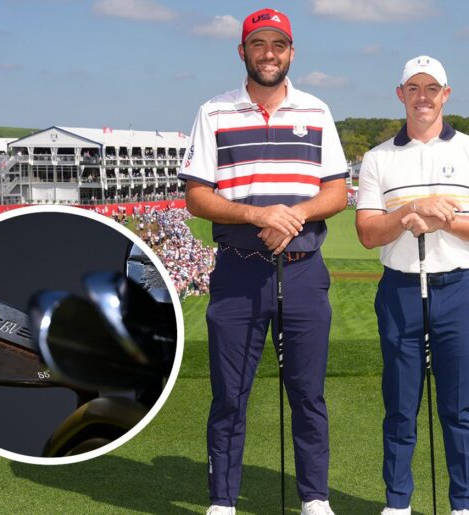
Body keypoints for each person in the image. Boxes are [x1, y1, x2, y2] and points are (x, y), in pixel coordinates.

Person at [180, 8, 348, 515]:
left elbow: (337, 191)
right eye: (259, 45)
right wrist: (259, 214)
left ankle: (315, 498)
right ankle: (223, 501)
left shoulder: (316, 111)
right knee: (230, 394)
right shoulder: (213, 112)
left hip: (302, 270)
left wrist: (292, 216)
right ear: (243, 52)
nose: (269, 54)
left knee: (307, 394)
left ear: (291, 53)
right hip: (237, 270)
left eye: (278, 45)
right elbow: (197, 196)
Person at [355, 55, 469, 515]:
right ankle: (397, 503)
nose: (423, 97)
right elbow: (367, 233)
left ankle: (463, 504)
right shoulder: (378, 158)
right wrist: (408, 212)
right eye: (414, 88)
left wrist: (449, 218)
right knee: (400, 406)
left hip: (457, 290)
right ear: (400, 94)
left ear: (446, 93)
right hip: (399, 290)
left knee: (458, 408)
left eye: (432, 88)